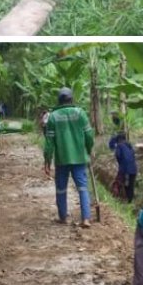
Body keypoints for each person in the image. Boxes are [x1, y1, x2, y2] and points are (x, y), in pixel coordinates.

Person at [43, 87, 94, 227]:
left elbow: (49, 143)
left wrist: (47, 160)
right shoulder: (80, 113)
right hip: (79, 158)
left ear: (59, 100)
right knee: (83, 188)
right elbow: (89, 135)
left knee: (61, 188)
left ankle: (63, 217)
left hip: (62, 159)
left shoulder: (53, 116)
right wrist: (89, 150)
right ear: (72, 99)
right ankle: (86, 219)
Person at [109, 132, 137, 203]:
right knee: (131, 185)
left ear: (119, 139)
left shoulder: (119, 145)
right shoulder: (129, 146)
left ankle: (126, 200)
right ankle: (130, 201)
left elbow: (118, 155)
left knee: (124, 184)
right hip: (134, 169)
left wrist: (120, 163)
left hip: (125, 169)